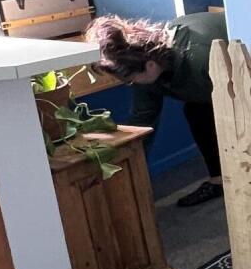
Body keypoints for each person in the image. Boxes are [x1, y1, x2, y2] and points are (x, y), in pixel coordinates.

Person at [85, 11, 228, 206]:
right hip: (206, 90)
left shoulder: (201, 56)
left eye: (130, 79)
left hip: (247, 67)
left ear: (150, 65)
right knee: (196, 112)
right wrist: (122, 170)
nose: (130, 84)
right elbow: (143, 124)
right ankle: (218, 181)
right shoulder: (144, 71)